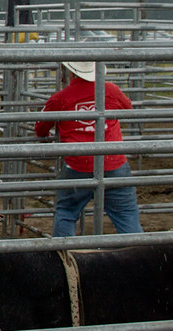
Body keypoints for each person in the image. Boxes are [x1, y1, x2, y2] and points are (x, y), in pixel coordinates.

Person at [34, 61, 142, 237]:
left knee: (67, 212)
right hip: (113, 162)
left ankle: (64, 257)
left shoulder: (60, 98)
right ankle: (140, 257)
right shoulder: (111, 91)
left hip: (78, 164)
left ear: (70, 72)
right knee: (126, 213)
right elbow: (128, 108)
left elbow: (40, 128)